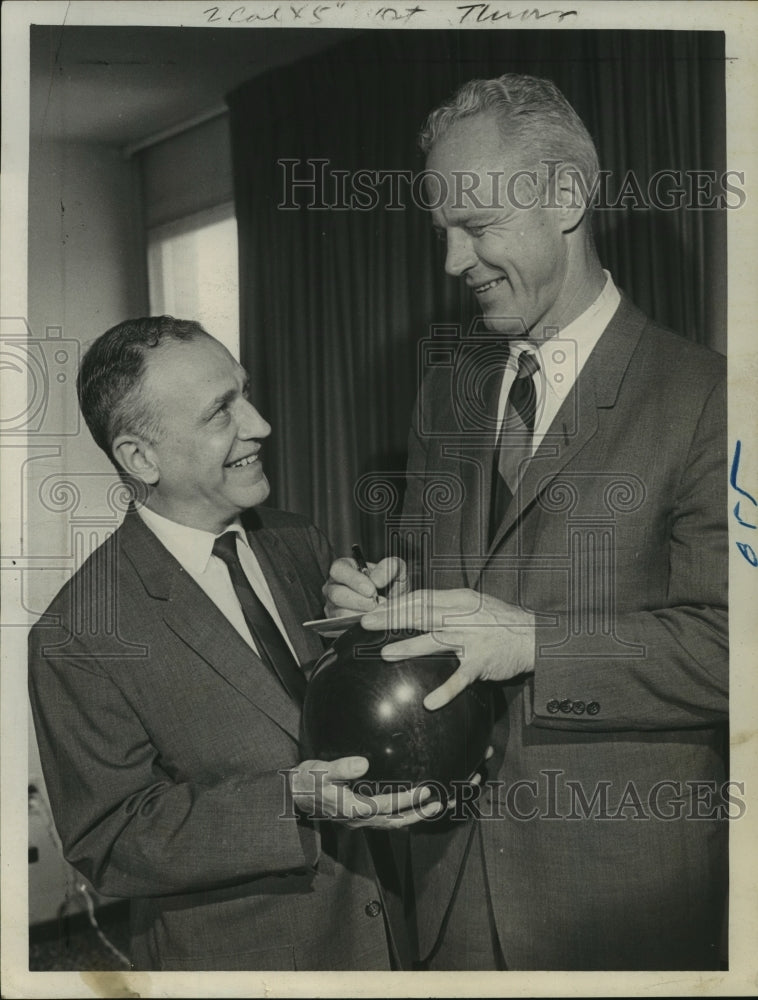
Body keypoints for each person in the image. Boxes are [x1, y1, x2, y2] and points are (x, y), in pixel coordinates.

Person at [325, 74, 729, 970]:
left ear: (567, 199)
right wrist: (386, 601)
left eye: (476, 227)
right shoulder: (449, 390)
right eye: (442, 234)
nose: (452, 263)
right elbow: (456, 601)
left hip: (620, 914)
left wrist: (536, 641)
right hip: (445, 897)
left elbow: (733, 646)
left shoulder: (712, 401)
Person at [28, 316, 439, 972]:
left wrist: (380, 630)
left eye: (244, 393)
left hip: (392, 936)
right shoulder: (77, 631)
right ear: (141, 457)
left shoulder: (298, 539)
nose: (259, 425)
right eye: (222, 412)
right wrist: (291, 801)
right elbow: (110, 839)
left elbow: (355, 721)